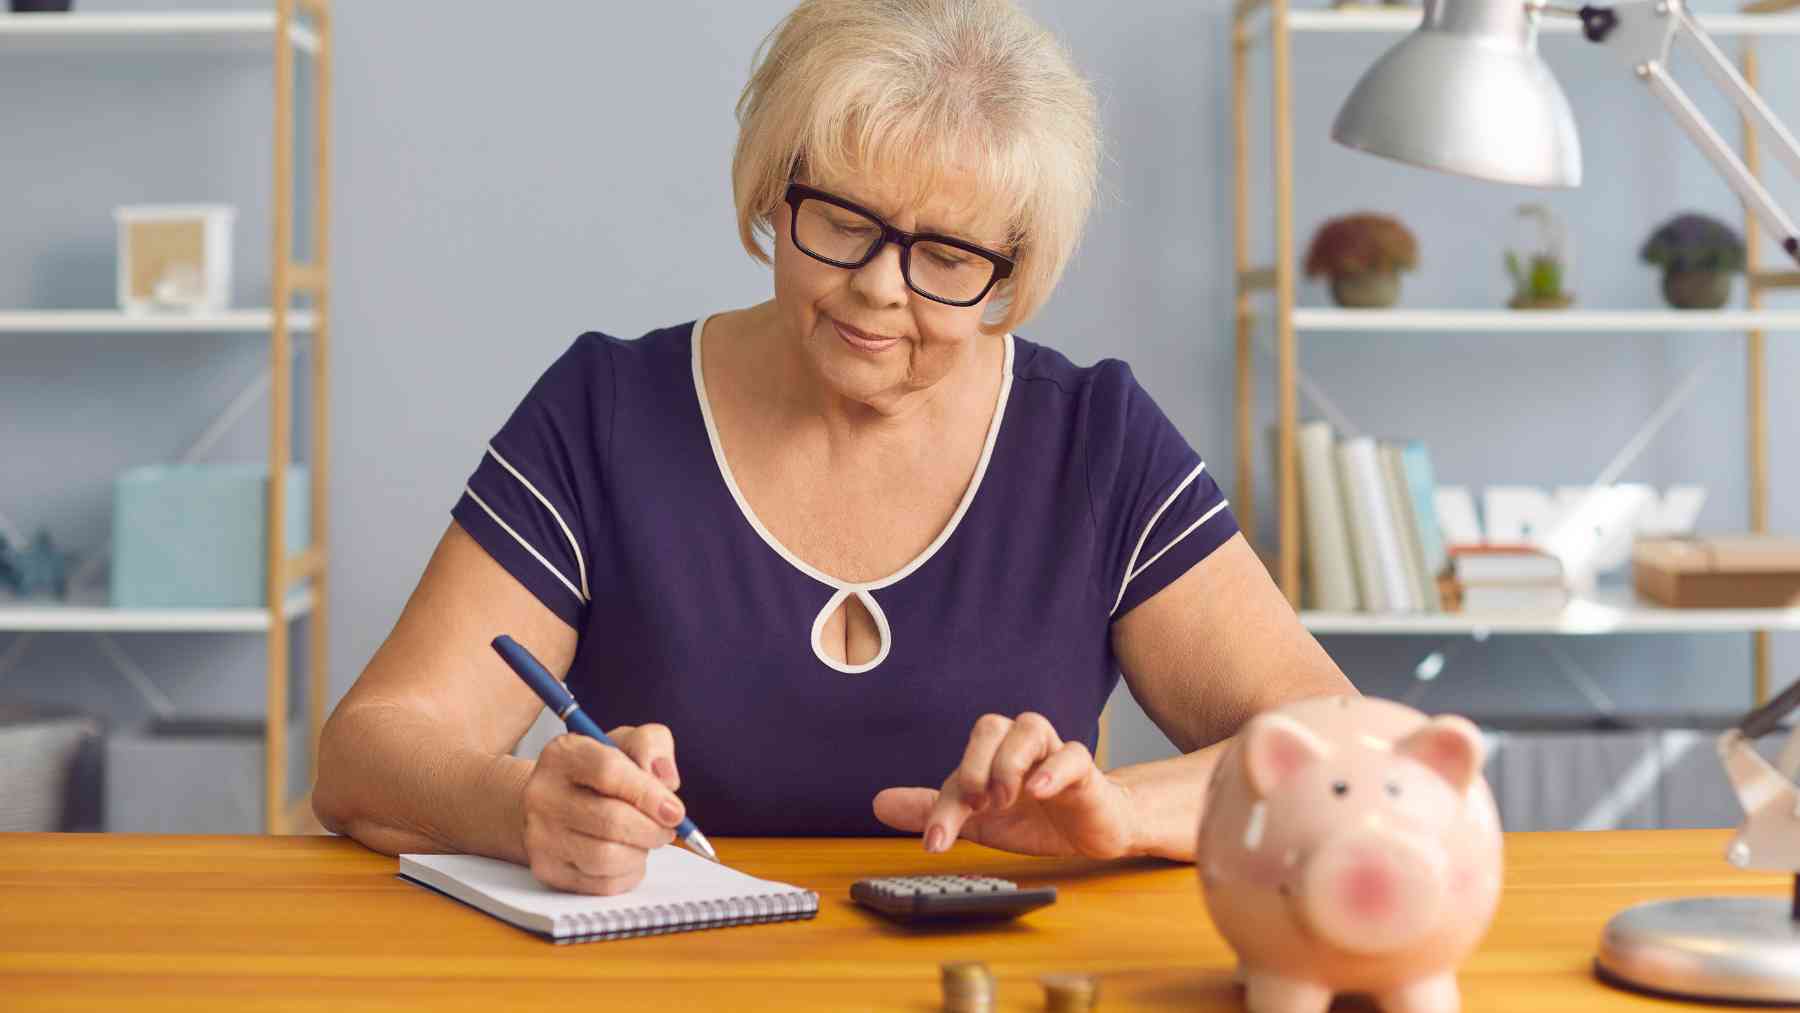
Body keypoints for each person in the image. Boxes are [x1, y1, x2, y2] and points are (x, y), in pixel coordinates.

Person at [313, 0, 1354, 896]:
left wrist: (1114, 811)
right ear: (774, 189)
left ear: (1011, 271)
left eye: (946, 253)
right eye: (843, 222)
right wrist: (518, 804)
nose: (879, 288)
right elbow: (364, 750)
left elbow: (1350, 742)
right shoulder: (607, 411)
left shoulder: (1094, 440)